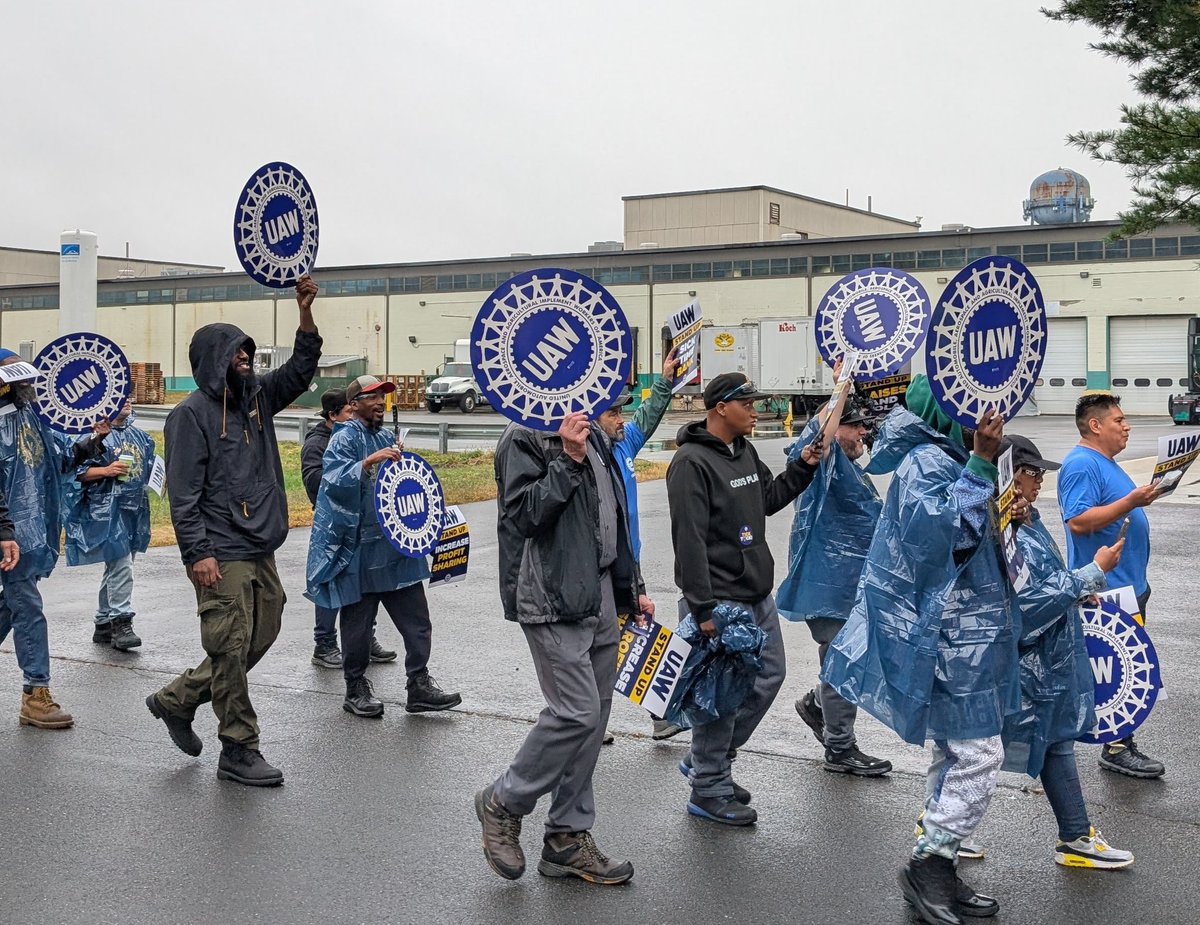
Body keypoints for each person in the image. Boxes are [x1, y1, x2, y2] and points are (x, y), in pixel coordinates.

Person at [822, 375, 1013, 925]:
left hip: (966, 641)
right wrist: (980, 465)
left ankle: (940, 865)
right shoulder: (926, 463)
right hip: (945, 640)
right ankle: (929, 861)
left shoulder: (947, 457)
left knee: (954, 754)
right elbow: (945, 541)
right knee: (979, 755)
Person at [145, 276, 322, 787]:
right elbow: (182, 495)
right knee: (230, 642)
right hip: (218, 551)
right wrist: (197, 554)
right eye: (235, 354)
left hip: (258, 542)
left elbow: (301, 369)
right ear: (212, 360)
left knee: (258, 635)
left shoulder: (257, 399)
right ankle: (238, 748)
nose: (245, 358)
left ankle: (177, 700)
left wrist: (304, 312)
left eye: (247, 352)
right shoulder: (190, 416)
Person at [474, 402, 639, 885]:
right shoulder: (524, 437)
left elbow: (614, 516)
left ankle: (567, 837)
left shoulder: (598, 435)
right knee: (576, 712)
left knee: (594, 722)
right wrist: (568, 458)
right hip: (551, 593)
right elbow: (524, 515)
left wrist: (634, 589)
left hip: (602, 591)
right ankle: (504, 801)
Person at [666, 372, 822, 826]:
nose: (756, 409)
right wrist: (703, 609)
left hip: (756, 593)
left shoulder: (744, 451)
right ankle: (709, 787)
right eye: (747, 402)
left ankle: (708, 761)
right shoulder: (691, 463)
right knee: (722, 696)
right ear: (720, 408)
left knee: (769, 676)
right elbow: (689, 540)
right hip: (719, 603)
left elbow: (767, 499)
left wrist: (805, 466)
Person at [1003, 433, 1135, 870]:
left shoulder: (1026, 521)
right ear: (1008, 475)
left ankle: (1075, 835)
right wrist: (1091, 574)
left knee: (1050, 742)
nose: (1039, 481)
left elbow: (1048, 581)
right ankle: (939, 835)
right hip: (1022, 662)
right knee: (977, 753)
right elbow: (1027, 606)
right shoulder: (1002, 531)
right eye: (1031, 473)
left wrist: (1080, 590)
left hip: (1044, 660)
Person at [305, 374, 461, 718]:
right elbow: (329, 483)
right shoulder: (344, 437)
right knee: (357, 625)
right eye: (372, 396)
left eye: (383, 397)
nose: (380, 402)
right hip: (359, 552)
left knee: (417, 621)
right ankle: (355, 687)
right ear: (354, 404)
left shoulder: (385, 436)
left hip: (395, 550)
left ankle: (418, 685)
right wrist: (368, 462)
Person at [777, 398, 891, 776]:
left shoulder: (851, 470)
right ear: (835, 428)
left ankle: (817, 705)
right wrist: (839, 389)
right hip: (827, 585)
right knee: (844, 660)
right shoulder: (823, 465)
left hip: (850, 586)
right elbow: (814, 439)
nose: (864, 433)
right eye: (855, 425)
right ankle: (840, 748)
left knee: (847, 661)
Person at [1057, 391, 1164, 779]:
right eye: (1119, 420)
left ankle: (1116, 741)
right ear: (1095, 425)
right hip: (1107, 590)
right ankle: (1117, 747)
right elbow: (1079, 521)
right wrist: (1132, 501)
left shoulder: (1104, 462)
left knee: (1122, 666)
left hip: (1128, 585)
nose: (1127, 426)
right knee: (1118, 669)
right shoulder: (1082, 464)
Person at [0, 351, 109, 729]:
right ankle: (36, 692)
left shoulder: (31, 419)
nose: (29, 388)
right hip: (10, 535)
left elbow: (60, 460)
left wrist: (91, 443)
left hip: (25, 534)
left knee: (15, 601)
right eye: (22, 382)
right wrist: (5, 531)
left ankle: (35, 691)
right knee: (26, 605)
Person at [601, 348, 681, 742]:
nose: (621, 418)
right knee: (603, 643)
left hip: (629, 559)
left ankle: (659, 713)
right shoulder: (590, 457)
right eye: (613, 413)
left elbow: (647, 419)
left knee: (635, 631)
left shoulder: (623, 445)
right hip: (602, 565)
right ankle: (586, 722)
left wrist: (664, 380)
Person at [301, 388, 395, 669]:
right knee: (331, 582)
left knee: (365, 586)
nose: (353, 416)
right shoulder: (318, 443)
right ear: (334, 415)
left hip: (363, 524)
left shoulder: (367, 437)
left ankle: (366, 638)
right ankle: (325, 643)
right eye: (347, 412)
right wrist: (353, 470)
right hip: (335, 526)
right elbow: (317, 483)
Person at [62, 399, 155, 651]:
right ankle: (121, 621)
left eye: (130, 396)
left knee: (118, 565)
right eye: (121, 397)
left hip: (133, 510)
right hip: (105, 512)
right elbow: (74, 472)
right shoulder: (93, 435)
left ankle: (103, 621)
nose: (128, 401)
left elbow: (148, 470)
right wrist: (106, 471)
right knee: (121, 564)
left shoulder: (141, 437)